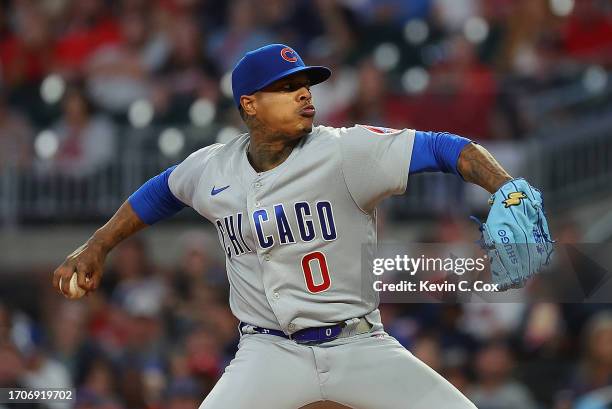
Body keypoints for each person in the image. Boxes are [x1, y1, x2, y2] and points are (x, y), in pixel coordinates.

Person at [53, 44, 551, 409]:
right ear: (248, 104)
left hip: (359, 345)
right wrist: (99, 243)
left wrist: (505, 188)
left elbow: (447, 148)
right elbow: (160, 192)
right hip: (268, 350)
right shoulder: (212, 167)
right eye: (287, 88)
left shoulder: (345, 150)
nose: (304, 94)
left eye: (306, 85)